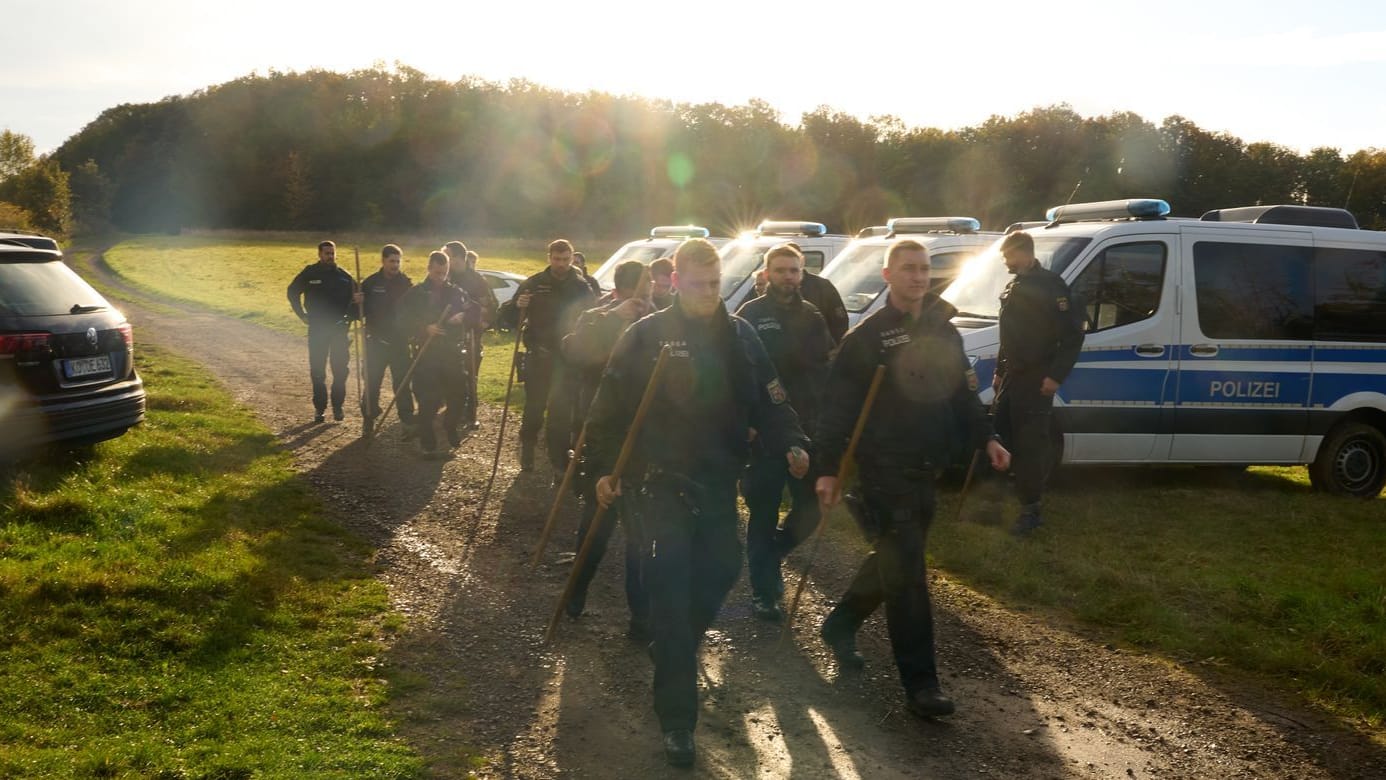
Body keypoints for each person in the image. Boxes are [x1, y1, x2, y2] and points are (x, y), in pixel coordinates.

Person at [586, 238, 809, 768]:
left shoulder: (740, 335)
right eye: (699, 283)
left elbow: (771, 397)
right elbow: (608, 406)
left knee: (725, 566)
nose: (709, 292)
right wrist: (601, 466)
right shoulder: (645, 336)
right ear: (677, 282)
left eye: (716, 283)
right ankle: (678, 721)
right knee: (669, 588)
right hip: (657, 483)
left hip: (716, 479)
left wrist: (793, 441)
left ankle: (674, 644)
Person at [815, 238, 1010, 720]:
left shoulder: (945, 330)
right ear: (888, 276)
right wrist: (827, 467)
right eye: (908, 269)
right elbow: (837, 412)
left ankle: (839, 624)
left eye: (924, 269)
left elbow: (965, 393)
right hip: (884, 470)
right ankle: (921, 684)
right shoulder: (865, 340)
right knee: (909, 578)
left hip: (929, 468)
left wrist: (987, 438)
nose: (918, 277)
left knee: (894, 561)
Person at [734, 244, 834, 622]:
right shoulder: (749, 317)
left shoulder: (813, 316)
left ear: (802, 274)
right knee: (762, 511)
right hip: (763, 433)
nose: (788, 277)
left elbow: (825, 369)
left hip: (807, 428)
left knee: (811, 508)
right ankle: (764, 593)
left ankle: (774, 552)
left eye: (794, 271)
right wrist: (747, 421)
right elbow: (737, 377)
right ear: (766, 274)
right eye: (780, 270)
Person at [559, 260, 654, 637]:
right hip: (603, 433)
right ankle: (577, 588)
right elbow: (578, 353)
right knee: (597, 521)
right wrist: (617, 318)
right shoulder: (596, 319)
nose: (646, 302)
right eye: (641, 296)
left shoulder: (659, 326)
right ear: (622, 292)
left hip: (646, 437)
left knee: (641, 532)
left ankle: (641, 616)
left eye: (651, 296)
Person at [992, 230, 1083, 535]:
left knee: (1030, 445)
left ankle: (1031, 510)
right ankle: (995, 501)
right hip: (1012, 377)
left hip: (1037, 379)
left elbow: (1072, 337)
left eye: (1009, 256)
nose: (1006, 261)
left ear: (1026, 253)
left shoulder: (1052, 287)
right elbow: (1009, 334)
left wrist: (1056, 376)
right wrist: (999, 369)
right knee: (1000, 435)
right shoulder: (1014, 284)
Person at [514, 239, 597, 472]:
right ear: (549, 257)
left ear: (572, 258)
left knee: (561, 415)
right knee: (534, 409)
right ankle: (528, 447)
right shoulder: (534, 284)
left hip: (567, 360)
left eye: (566, 259)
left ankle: (559, 462)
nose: (561, 264)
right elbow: (507, 318)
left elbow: (593, 317)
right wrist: (518, 305)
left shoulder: (582, 286)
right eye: (557, 259)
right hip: (539, 357)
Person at [398, 251, 474, 456]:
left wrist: (463, 316)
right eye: (437, 272)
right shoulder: (416, 293)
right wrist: (425, 328)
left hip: (452, 353)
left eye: (444, 272)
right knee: (428, 399)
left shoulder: (457, 292)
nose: (441, 277)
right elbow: (402, 320)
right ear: (429, 269)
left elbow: (474, 312)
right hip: (427, 353)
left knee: (460, 395)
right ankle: (428, 442)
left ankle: (449, 426)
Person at [286, 240, 357, 423]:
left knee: (340, 371)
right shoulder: (310, 273)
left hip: (339, 330)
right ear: (319, 254)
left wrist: (352, 314)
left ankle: (338, 406)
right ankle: (319, 409)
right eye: (327, 253)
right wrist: (301, 314)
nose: (330, 256)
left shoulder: (345, 277)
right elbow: (292, 291)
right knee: (318, 371)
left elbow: (357, 301)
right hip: (317, 329)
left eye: (333, 253)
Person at [358, 244, 416, 434]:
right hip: (376, 342)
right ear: (382, 261)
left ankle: (407, 420)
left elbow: (414, 310)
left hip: (399, 343)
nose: (395, 265)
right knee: (372, 382)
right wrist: (356, 301)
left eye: (398, 261)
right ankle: (369, 417)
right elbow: (358, 313)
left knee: (402, 383)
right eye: (391, 261)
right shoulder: (370, 283)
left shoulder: (406, 283)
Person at [444, 241, 499, 429]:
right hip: (447, 335)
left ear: (459, 258)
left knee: (470, 375)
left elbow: (491, 305)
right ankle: (452, 410)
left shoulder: (477, 280)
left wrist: (481, 321)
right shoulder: (445, 277)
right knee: (449, 375)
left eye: (448, 256)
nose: (446, 260)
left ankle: (470, 413)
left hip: (470, 334)